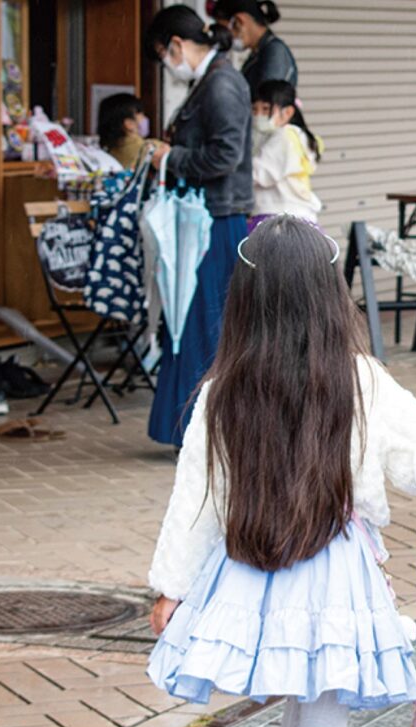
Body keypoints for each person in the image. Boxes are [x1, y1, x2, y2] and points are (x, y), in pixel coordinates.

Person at [146, 216, 416, 727]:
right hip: (331, 567)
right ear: (330, 295)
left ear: (245, 300)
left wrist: (170, 585)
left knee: (307, 688)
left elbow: (195, 498)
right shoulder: (360, 380)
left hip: (252, 563)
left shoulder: (222, 388)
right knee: (328, 700)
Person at [143, 5, 253, 449]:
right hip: (205, 217)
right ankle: (192, 430)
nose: (167, 65)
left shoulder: (222, 82)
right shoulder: (214, 80)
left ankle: (203, 432)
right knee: (191, 320)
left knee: (205, 323)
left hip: (216, 219)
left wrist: (168, 158)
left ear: (175, 45)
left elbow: (225, 156)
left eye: (163, 55)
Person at [250, 79, 322, 230]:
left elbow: (258, 173)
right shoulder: (299, 136)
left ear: (288, 112)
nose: (258, 115)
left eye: (265, 109)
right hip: (302, 218)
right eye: (254, 110)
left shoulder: (283, 137)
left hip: (278, 218)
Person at [224, 0, 297, 103]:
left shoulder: (274, 51)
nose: (228, 37)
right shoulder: (259, 51)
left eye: (226, 30)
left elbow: (268, 101)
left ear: (239, 21)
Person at [96, 93, 156, 171]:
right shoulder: (147, 147)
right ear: (129, 124)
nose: (144, 118)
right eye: (140, 114)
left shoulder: (108, 149)